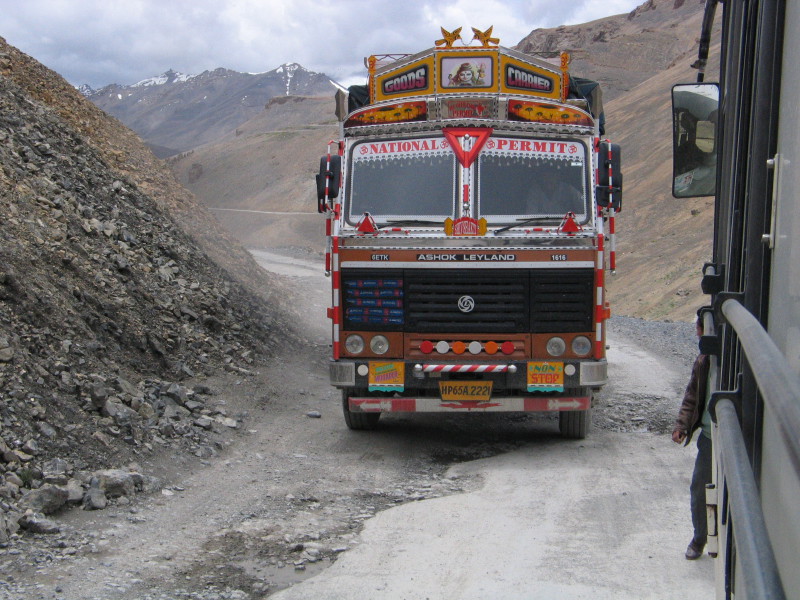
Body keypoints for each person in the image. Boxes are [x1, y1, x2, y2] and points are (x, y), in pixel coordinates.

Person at [672, 316, 712, 560]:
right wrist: (682, 426)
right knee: (699, 489)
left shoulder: (732, 360)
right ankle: (699, 540)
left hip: (731, 438)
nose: (697, 336)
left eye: (699, 331)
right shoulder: (703, 362)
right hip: (708, 438)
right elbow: (691, 396)